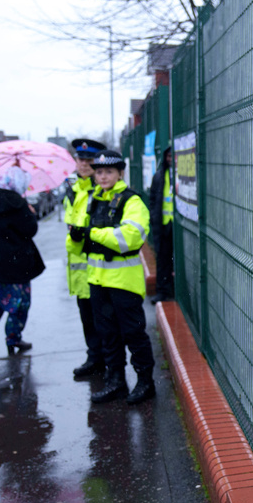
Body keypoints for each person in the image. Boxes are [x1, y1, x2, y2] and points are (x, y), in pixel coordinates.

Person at [69, 150, 155, 404]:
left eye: (108, 171)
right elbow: (76, 243)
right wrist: (76, 237)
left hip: (124, 282)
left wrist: (92, 233)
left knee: (134, 334)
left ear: (120, 173)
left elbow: (128, 238)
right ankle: (115, 381)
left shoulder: (131, 201)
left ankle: (145, 382)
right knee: (108, 336)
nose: (102, 176)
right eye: (99, 172)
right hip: (97, 281)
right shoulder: (94, 199)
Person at [0, 166, 45, 354]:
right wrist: (30, 212)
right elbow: (30, 230)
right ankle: (13, 339)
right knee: (19, 305)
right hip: (16, 263)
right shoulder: (18, 202)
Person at [64, 138, 107, 378]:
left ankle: (108, 364)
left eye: (89, 160)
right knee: (88, 320)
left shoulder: (100, 190)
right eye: (80, 159)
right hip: (79, 269)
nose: (84, 164)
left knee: (104, 322)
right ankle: (94, 358)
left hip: (98, 268)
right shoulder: (74, 190)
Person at [148, 146, 174, 304]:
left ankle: (174, 290)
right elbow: (153, 198)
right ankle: (162, 291)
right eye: (169, 156)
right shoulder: (158, 176)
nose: (171, 160)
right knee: (163, 259)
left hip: (177, 225)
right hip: (163, 225)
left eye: (173, 156)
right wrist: (154, 216)